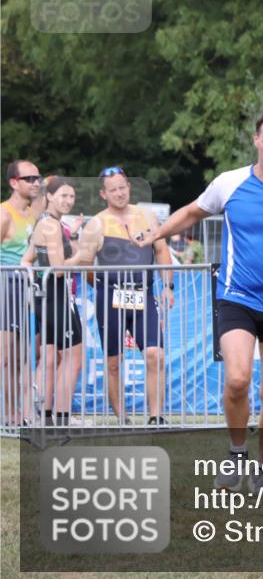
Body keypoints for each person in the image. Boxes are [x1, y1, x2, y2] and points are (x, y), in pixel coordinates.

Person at [140, 109, 263, 493]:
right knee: (238, 379)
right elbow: (193, 213)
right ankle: (236, 453)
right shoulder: (229, 183)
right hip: (237, 298)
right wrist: (155, 233)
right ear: (256, 141)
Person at [81, 166, 174, 426]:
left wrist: (168, 286)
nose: (119, 193)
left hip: (143, 295)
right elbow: (86, 266)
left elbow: (162, 250)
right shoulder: (96, 223)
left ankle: (156, 416)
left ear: (129, 187)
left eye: (123, 187)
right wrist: (103, 287)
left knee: (155, 354)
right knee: (114, 361)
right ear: (103, 194)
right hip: (109, 298)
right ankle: (121, 416)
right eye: (113, 190)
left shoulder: (146, 216)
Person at [22, 176, 91, 426]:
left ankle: (47, 415)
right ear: (49, 196)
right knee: (74, 356)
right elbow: (60, 269)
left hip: (47, 296)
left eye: (72, 196)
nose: (69, 201)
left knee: (52, 357)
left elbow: (26, 260)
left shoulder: (45, 223)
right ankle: (62, 417)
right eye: (63, 195)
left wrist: (35, 281)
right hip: (55, 296)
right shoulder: (51, 226)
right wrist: (82, 253)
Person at [1, 160, 42, 425]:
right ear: (14, 183)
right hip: (6, 286)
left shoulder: (32, 214)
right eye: (29, 178)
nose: (36, 183)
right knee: (4, 354)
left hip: (27, 289)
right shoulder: (4, 214)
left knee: (19, 357)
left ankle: (12, 413)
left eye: (38, 178)